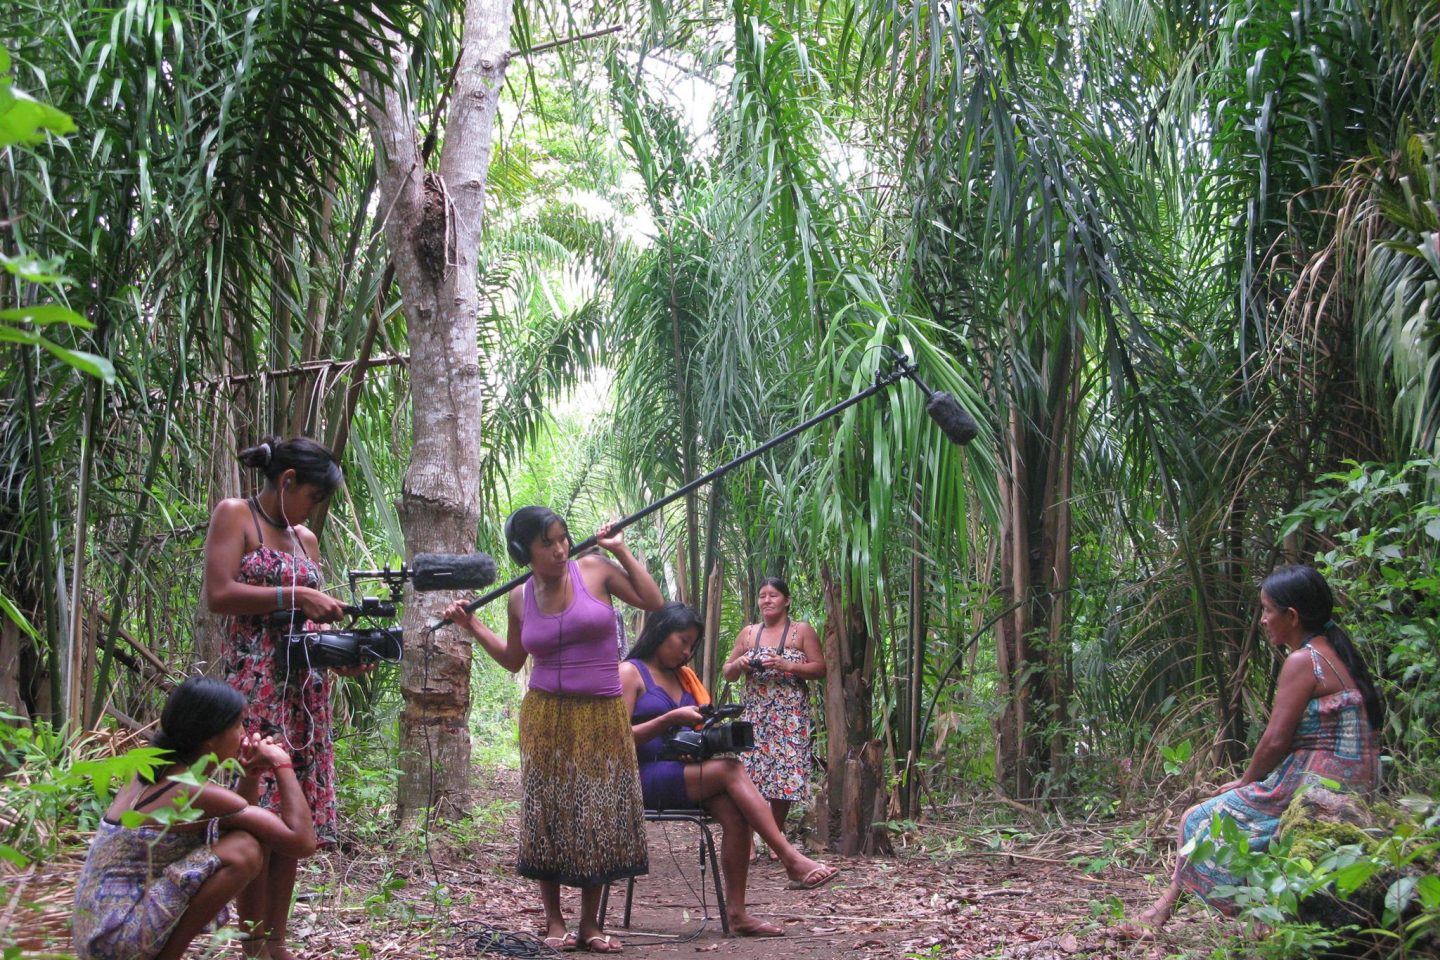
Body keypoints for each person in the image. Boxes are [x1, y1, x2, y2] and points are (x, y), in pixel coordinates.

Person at [442, 507, 664, 954]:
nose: (560, 549)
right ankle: (554, 921)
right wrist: (473, 625)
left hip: (602, 714)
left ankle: (590, 924)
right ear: (523, 551)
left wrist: (620, 549)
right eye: (547, 543)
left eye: (563, 538)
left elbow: (652, 601)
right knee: (548, 811)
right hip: (545, 716)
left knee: (598, 813)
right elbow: (512, 660)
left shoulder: (595, 569)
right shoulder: (519, 598)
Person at [1121, 564, 1384, 937]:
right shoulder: (1338, 652)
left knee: (1198, 819)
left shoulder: (1303, 661)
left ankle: (1166, 912)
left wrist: (1244, 781)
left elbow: (1275, 740)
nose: (1262, 620)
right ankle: (1214, 913)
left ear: (1292, 616)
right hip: (1352, 780)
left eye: (1267, 610)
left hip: (1317, 783)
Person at [203, 436, 364, 959]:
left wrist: (343, 655)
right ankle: (252, 945)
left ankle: (277, 941)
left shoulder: (305, 540)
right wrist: (295, 594)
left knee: (293, 819)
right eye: (312, 496)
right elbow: (219, 594)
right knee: (257, 814)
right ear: (288, 480)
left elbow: (312, 623)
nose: (312, 509)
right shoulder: (237, 516)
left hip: (303, 696)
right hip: (255, 691)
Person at [621, 602, 839, 937]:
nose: (686, 651)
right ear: (660, 632)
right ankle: (790, 858)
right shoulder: (630, 672)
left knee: (737, 816)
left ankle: (737, 915)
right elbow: (615, 738)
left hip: (683, 772)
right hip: (642, 777)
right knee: (731, 769)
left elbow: (687, 732)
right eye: (682, 641)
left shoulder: (682, 676)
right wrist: (668, 719)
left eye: (692, 645)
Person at [73, 677, 317, 960]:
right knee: (243, 850)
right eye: (237, 725)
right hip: (121, 938)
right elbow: (302, 842)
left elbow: (251, 824)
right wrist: (281, 762)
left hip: (100, 932)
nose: (243, 734)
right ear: (210, 737)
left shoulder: (149, 768)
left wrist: (249, 776)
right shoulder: (192, 791)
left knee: (257, 835)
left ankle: (263, 948)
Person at [719, 577, 825, 859]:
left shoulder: (801, 632)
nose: (767, 600)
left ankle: (775, 838)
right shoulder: (748, 633)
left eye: (773, 595)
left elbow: (820, 668)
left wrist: (787, 665)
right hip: (756, 715)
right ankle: (748, 841)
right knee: (750, 775)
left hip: (789, 716)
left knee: (784, 777)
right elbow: (728, 672)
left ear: (787, 600)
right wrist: (739, 664)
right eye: (762, 595)